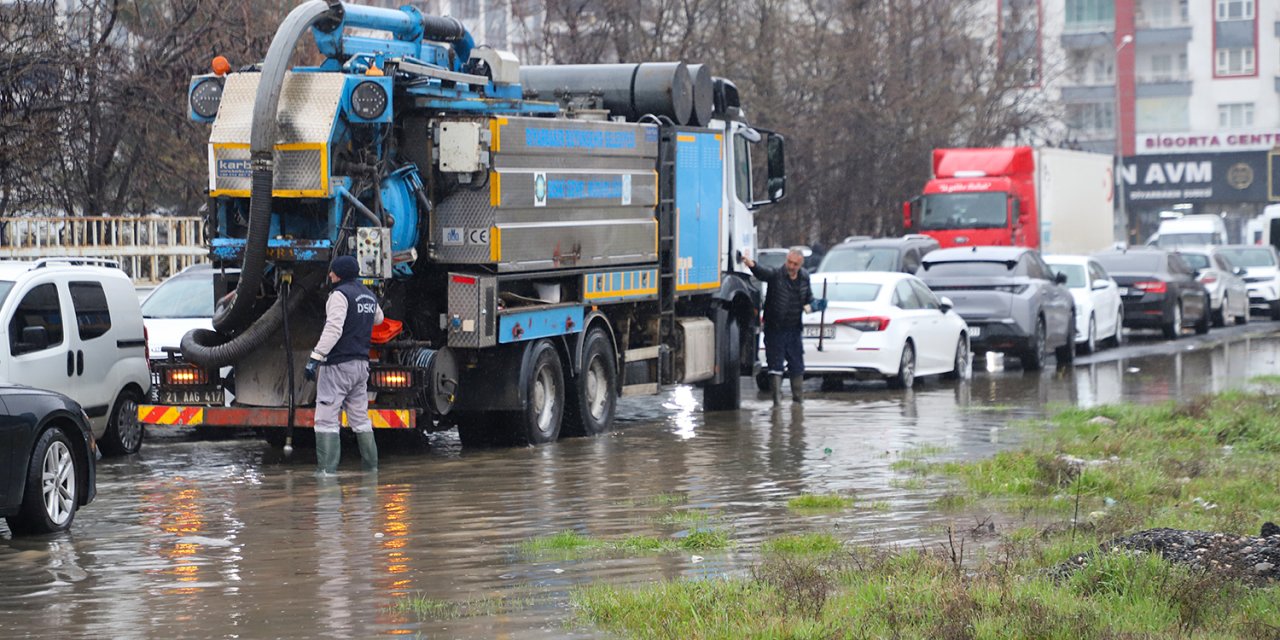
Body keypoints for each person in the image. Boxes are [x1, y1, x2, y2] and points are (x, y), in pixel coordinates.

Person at [305, 255, 384, 473]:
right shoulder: (368, 296)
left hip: (338, 365)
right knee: (360, 418)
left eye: (332, 272)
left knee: (326, 419)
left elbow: (334, 329)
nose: (329, 275)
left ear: (338, 274)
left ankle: (327, 474)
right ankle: (371, 470)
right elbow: (379, 319)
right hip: (360, 366)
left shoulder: (339, 295)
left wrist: (316, 357)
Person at [742, 248, 820, 407]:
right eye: (789, 262)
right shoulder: (776, 275)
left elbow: (809, 298)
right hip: (774, 328)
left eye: (795, 264)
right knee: (775, 366)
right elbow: (762, 272)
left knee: (797, 366)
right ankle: (776, 403)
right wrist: (750, 264)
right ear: (786, 260)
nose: (791, 266)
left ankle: (798, 403)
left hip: (794, 329)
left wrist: (815, 305)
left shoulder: (804, 277)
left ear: (800, 264)